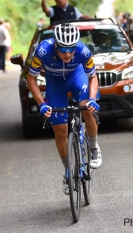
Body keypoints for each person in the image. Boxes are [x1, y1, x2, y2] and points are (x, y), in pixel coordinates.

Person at [27, 23, 102, 195]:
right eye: (63, 49)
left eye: (71, 49)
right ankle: (68, 170)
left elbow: (93, 77)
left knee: (86, 109)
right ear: (55, 45)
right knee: (60, 131)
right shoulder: (43, 51)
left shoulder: (83, 50)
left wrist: (91, 98)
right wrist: (41, 103)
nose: (68, 53)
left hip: (77, 77)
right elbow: (31, 78)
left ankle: (93, 147)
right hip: (54, 84)